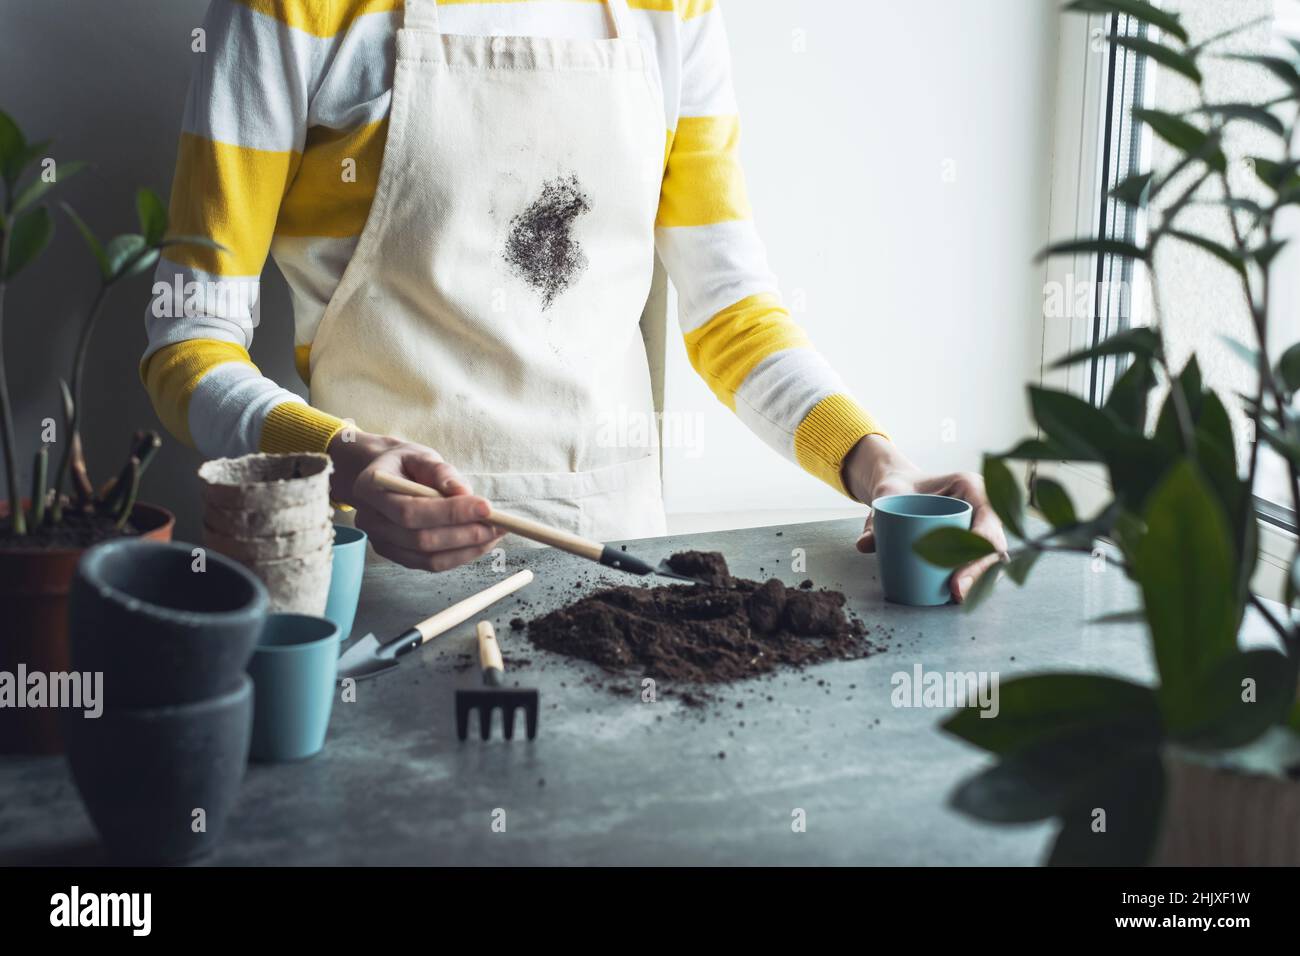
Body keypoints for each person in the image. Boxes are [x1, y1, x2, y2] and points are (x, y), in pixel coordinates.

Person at [143, 0, 1004, 599]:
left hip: (624, 581)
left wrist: (875, 463)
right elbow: (187, 344)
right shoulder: (290, 8)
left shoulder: (671, 11)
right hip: (377, 578)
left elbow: (730, 313)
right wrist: (339, 458)